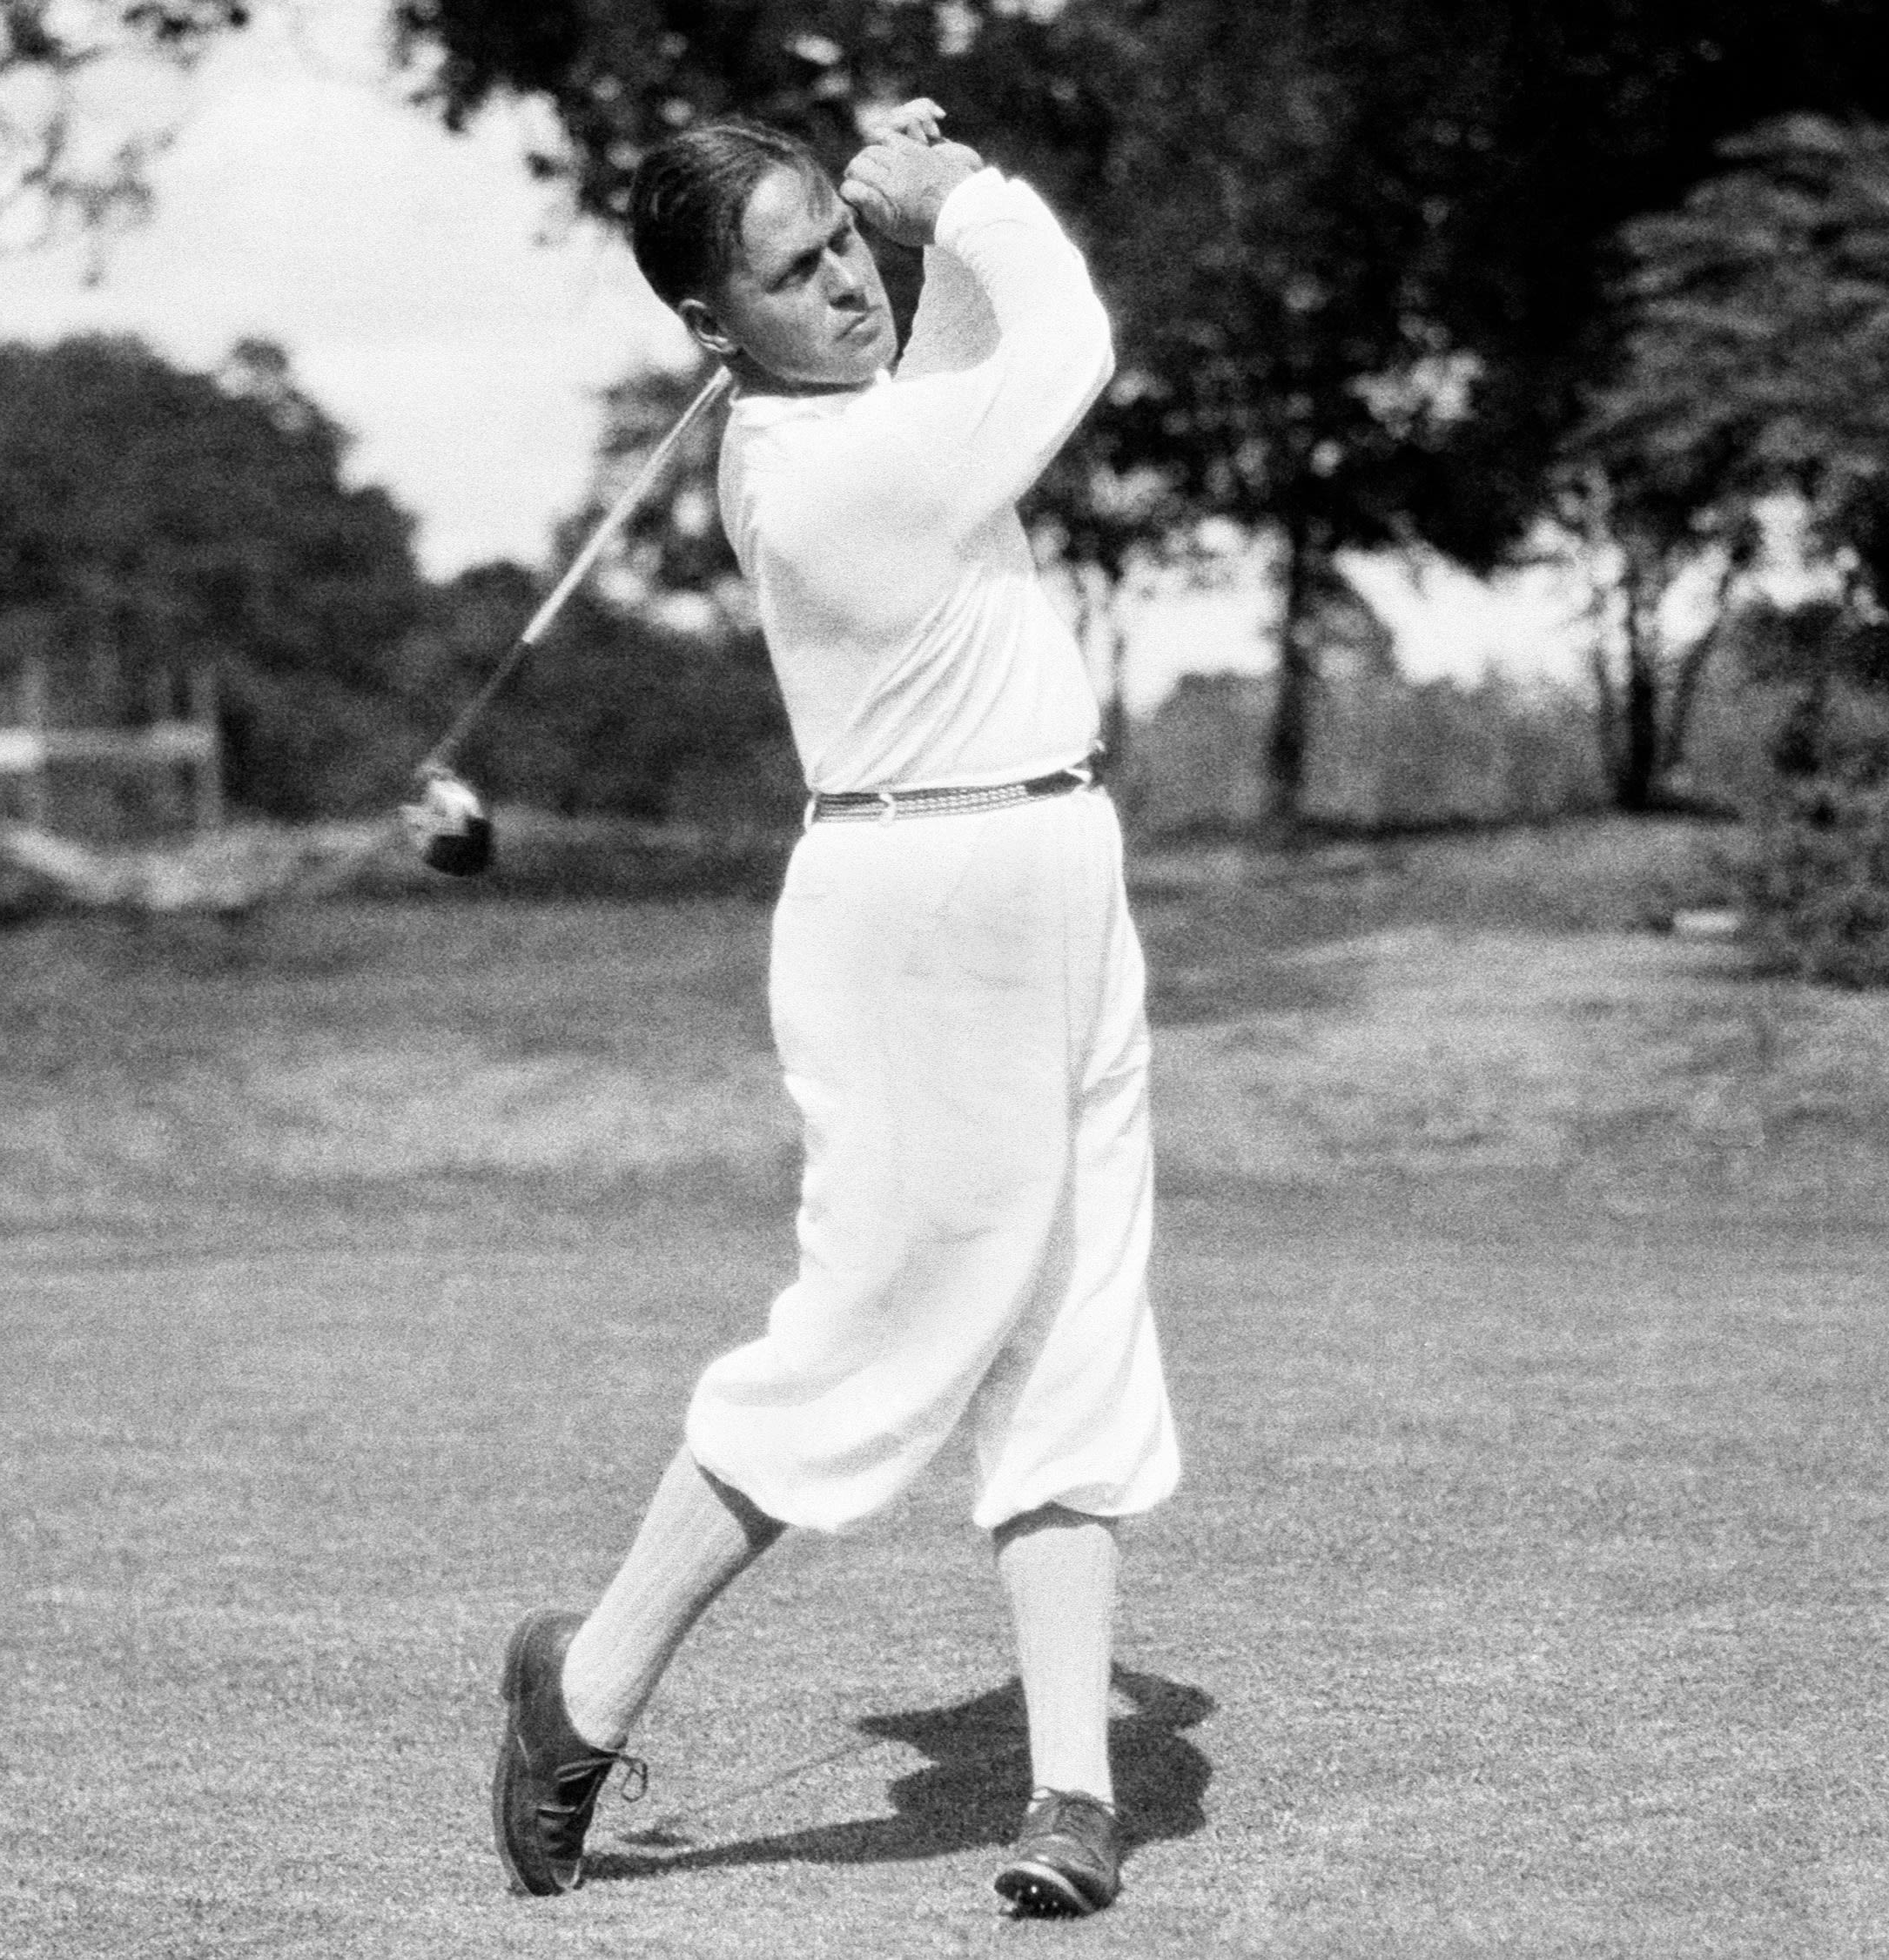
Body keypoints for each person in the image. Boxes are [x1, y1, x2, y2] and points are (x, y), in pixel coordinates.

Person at [490, 100, 1180, 1920]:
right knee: (872, 1340)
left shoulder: (880, 421)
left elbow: (954, 355)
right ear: (719, 334)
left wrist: (921, 230)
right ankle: (585, 1683)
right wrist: (968, 201)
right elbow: (1066, 348)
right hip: (918, 915)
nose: (843, 285)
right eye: (792, 275)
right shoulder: (819, 479)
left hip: (1056, 868)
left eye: (839, 242)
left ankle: (1071, 1796)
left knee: (1072, 1320)